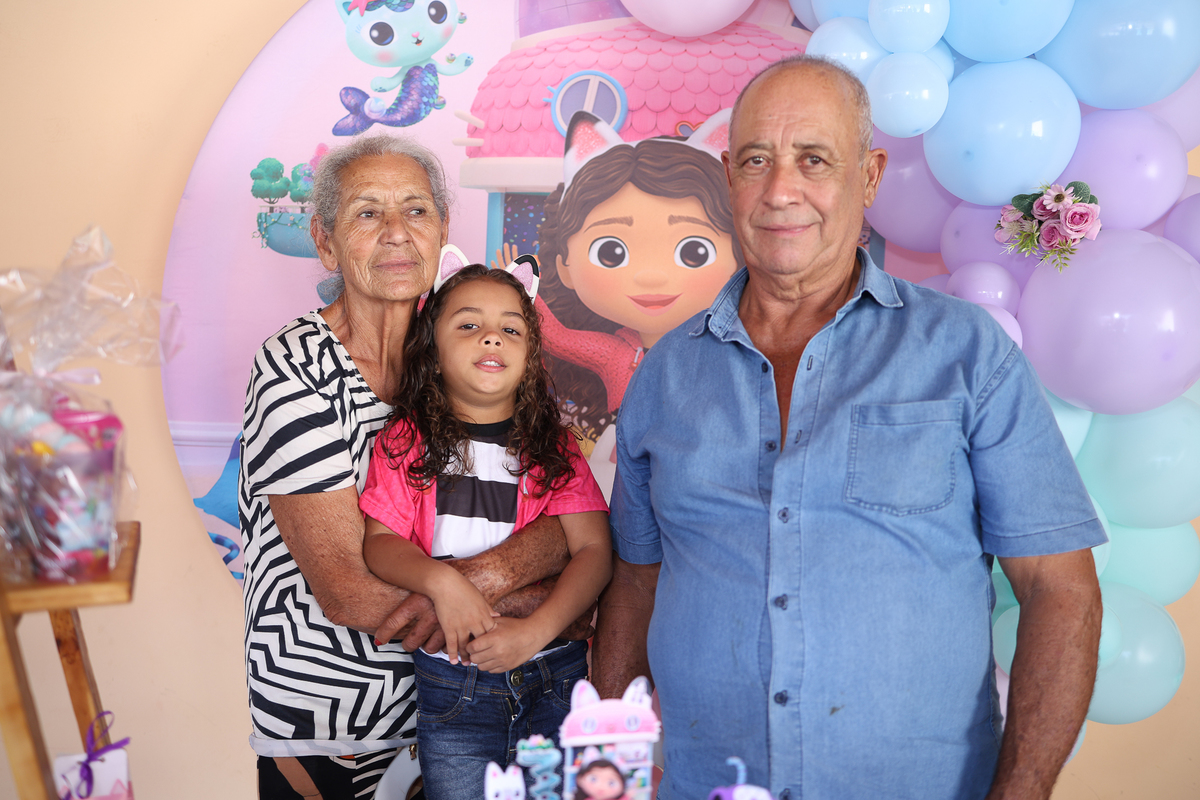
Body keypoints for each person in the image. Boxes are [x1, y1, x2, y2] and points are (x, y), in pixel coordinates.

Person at [592, 55, 1106, 800]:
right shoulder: (666, 373)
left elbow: (1060, 589)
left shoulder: (966, 352)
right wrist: (614, 772)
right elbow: (635, 584)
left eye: (814, 160)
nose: (781, 191)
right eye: (757, 160)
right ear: (729, 177)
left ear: (868, 176)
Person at [240, 134, 584, 800]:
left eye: (416, 210)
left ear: (443, 229)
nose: (397, 231)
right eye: (368, 212)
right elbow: (348, 589)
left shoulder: (469, 340)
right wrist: (545, 612)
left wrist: (496, 585)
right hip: (345, 720)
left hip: (490, 708)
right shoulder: (294, 369)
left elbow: (558, 516)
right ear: (325, 241)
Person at [358, 256, 612, 799]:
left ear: (531, 355)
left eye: (510, 329)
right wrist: (444, 583)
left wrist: (536, 631)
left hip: (554, 675)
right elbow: (380, 544)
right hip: (455, 683)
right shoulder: (406, 441)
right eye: (469, 324)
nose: (492, 337)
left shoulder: (554, 448)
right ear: (432, 350)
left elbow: (594, 551)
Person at [533, 110, 740, 485]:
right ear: (564, 266)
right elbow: (555, 336)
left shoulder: (724, 347)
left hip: (703, 456)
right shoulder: (613, 354)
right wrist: (517, 290)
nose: (651, 276)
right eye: (611, 252)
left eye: (694, 251)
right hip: (623, 452)